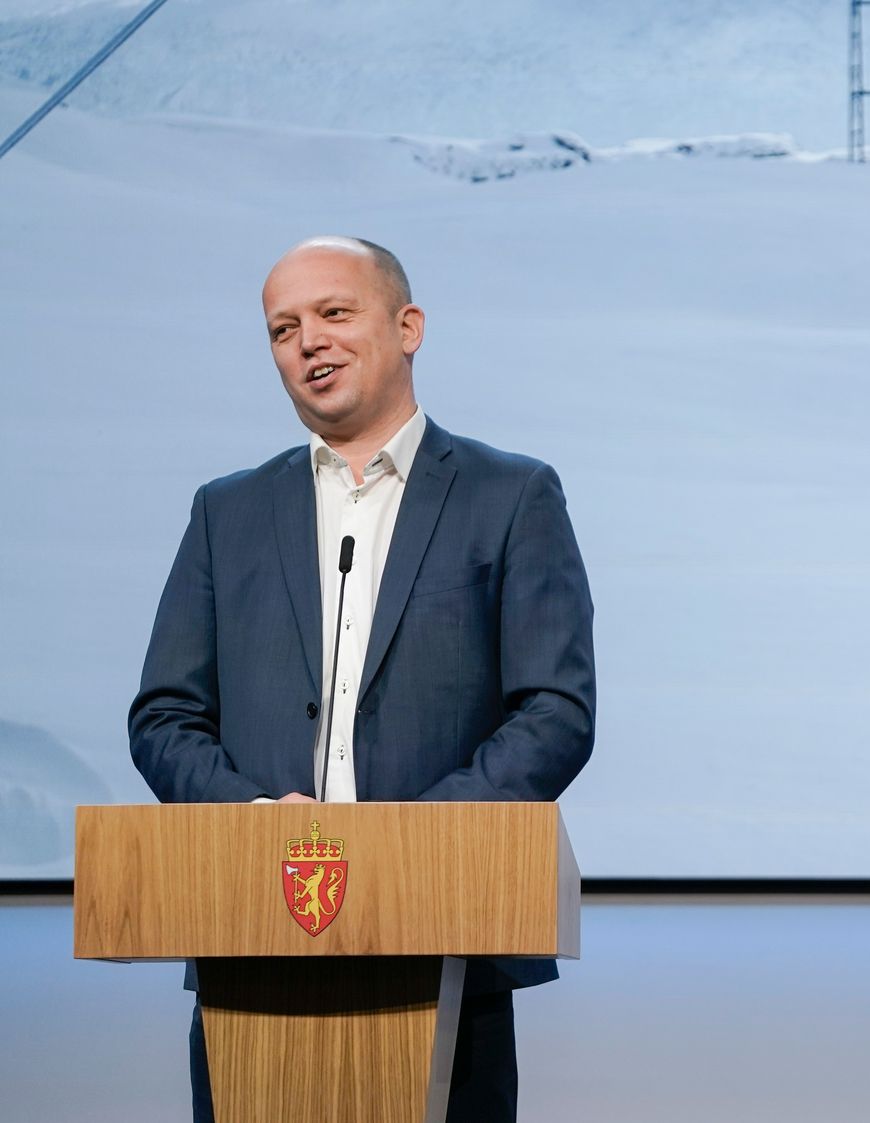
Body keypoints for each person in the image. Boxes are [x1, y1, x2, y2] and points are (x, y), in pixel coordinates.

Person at [129, 236, 596, 1122]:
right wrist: (250, 822)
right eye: (283, 329)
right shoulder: (225, 511)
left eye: (334, 314)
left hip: (444, 931)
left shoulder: (511, 495)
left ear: (408, 326)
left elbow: (554, 713)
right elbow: (165, 716)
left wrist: (404, 846)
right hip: (252, 933)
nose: (309, 342)